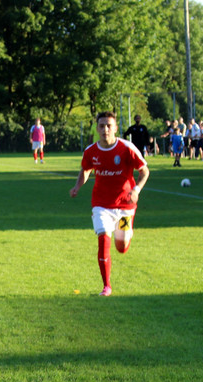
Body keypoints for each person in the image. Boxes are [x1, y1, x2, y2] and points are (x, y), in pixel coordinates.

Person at [69, 111, 149, 297]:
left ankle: (127, 235)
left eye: (109, 125)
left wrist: (136, 190)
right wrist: (77, 186)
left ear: (115, 128)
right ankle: (106, 286)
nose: (105, 129)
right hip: (101, 205)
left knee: (121, 247)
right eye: (102, 126)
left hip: (125, 207)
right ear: (97, 128)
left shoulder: (127, 148)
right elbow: (86, 170)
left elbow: (144, 171)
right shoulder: (91, 151)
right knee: (103, 238)